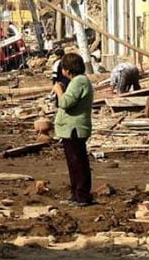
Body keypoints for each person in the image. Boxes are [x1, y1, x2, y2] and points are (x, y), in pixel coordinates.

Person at [52, 52, 95, 206]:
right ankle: (77, 195)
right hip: (72, 128)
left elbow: (65, 103)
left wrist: (58, 90)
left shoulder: (79, 82)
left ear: (67, 69)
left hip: (74, 128)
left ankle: (82, 196)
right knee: (74, 163)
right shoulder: (79, 81)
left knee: (78, 163)